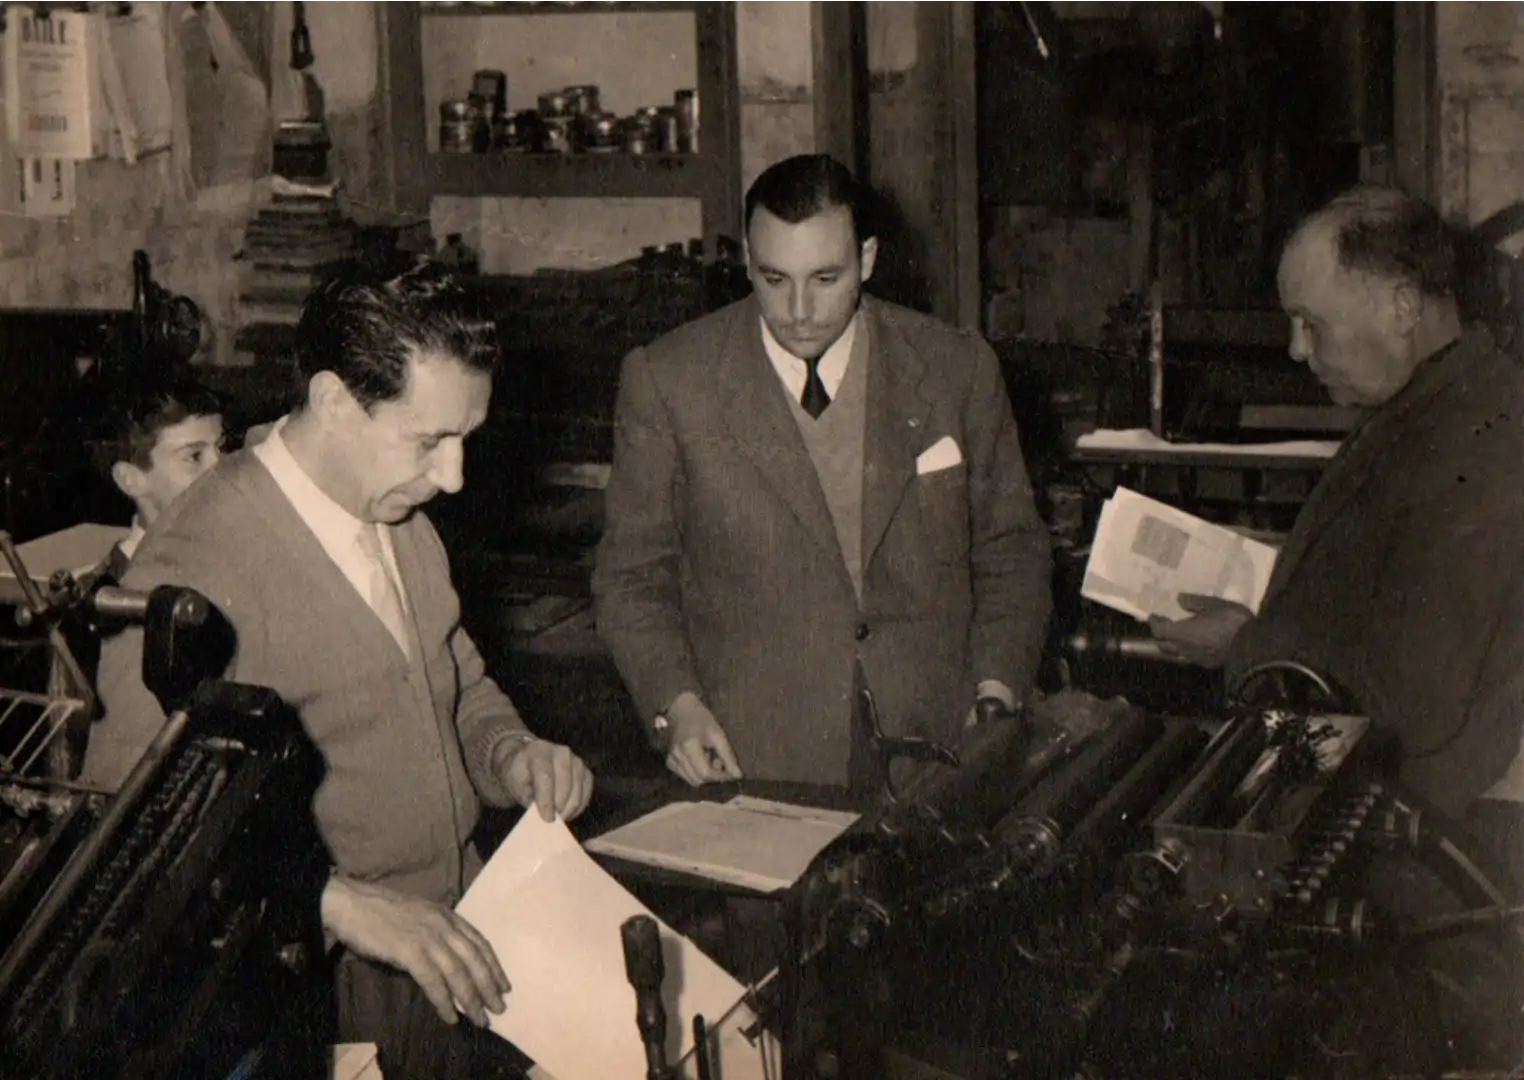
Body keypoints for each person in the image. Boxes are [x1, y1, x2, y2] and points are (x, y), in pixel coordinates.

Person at [83, 258, 595, 1080]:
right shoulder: (195, 567)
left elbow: (454, 681)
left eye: (465, 439)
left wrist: (509, 752)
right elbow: (123, 833)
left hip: (454, 945)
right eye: (428, 441)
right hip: (323, 995)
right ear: (332, 401)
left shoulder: (397, 512)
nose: (453, 477)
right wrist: (331, 899)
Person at [1151, 186, 1524, 1070]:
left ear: (1402, 304)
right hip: (1385, 821)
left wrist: (1247, 644)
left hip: (1428, 852)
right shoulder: (1431, 401)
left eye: (1312, 324)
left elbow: (1416, 692)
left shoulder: (1483, 432)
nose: (1296, 350)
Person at [592, 154, 1053, 792]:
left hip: (941, 749)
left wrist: (996, 689)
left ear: (867, 259)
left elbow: (1012, 550)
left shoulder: (957, 369)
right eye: (774, 278)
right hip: (755, 758)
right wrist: (677, 706)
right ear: (747, 261)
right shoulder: (669, 381)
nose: (799, 309)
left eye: (826, 278)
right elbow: (630, 579)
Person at [88, 379, 225, 573]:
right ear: (130, 480)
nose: (222, 468)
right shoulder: (126, 585)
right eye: (195, 456)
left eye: (221, 447)